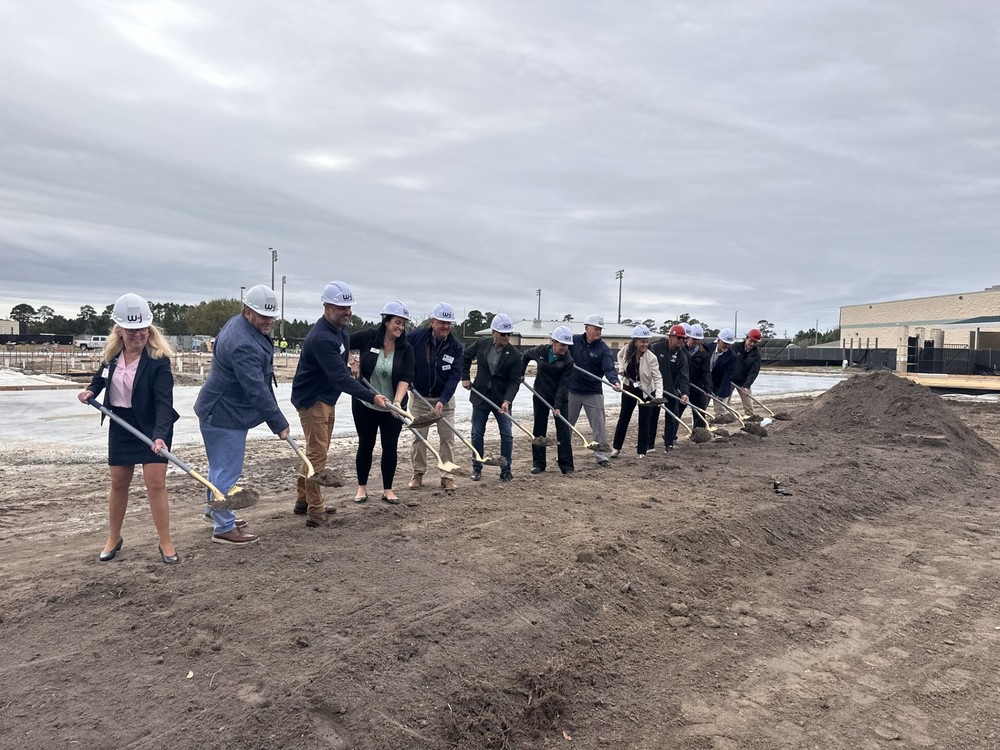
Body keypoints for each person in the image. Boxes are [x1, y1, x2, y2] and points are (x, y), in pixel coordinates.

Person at [77, 293, 180, 564]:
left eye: (143, 328)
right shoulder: (112, 356)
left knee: (156, 483)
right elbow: (101, 379)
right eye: (133, 330)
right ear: (120, 331)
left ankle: (165, 542)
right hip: (121, 425)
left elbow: (164, 403)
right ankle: (114, 537)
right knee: (118, 483)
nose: (139, 334)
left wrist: (159, 435)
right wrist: (90, 390)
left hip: (153, 425)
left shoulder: (158, 361)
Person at [194, 284, 289, 545]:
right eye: (263, 315)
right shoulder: (243, 344)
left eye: (272, 316)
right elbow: (256, 389)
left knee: (218, 467)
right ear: (248, 312)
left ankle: (213, 512)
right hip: (225, 413)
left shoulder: (239, 324)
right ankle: (224, 528)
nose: (269, 320)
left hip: (217, 408)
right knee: (226, 471)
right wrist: (278, 423)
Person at [290, 282, 389, 527]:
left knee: (315, 450)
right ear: (327, 307)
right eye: (341, 307)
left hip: (326, 397)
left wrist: (351, 361)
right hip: (312, 400)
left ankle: (303, 500)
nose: (347, 312)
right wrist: (372, 396)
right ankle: (316, 512)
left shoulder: (341, 330)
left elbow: (342, 361)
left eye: (349, 307)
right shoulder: (321, 337)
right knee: (317, 456)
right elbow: (340, 379)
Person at [351, 301, 415, 505]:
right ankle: (362, 488)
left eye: (403, 324)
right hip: (366, 402)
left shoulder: (406, 348)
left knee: (390, 446)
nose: (400, 327)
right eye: (397, 322)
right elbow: (340, 342)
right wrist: (351, 360)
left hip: (392, 408)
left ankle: (388, 489)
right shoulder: (368, 337)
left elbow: (406, 377)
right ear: (386, 321)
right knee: (366, 444)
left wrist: (396, 402)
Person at [407, 302, 464, 491]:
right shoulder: (415, 338)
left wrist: (443, 400)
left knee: (447, 438)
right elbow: (403, 355)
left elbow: (455, 376)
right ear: (433, 322)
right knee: (419, 437)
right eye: (442, 322)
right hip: (419, 398)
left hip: (444, 401)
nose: (446, 327)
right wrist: (407, 380)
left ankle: (446, 476)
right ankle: (418, 473)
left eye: (449, 323)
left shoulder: (455, 346)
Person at [461, 313, 521, 482]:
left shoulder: (515, 355)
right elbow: (465, 356)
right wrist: (465, 377)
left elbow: (514, 382)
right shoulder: (481, 344)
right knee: (477, 434)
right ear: (494, 332)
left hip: (502, 400)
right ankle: (477, 467)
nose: (507, 337)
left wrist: (507, 401)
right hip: (480, 397)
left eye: (509, 334)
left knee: (507, 435)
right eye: (503, 334)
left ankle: (506, 469)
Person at [520, 325, 576, 475]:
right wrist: (521, 372)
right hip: (540, 394)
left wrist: (557, 406)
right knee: (539, 428)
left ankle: (567, 466)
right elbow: (525, 355)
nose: (564, 348)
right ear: (553, 341)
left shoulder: (568, 361)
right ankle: (538, 463)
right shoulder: (541, 351)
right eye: (562, 345)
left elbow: (564, 385)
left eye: (567, 345)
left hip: (560, 397)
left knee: (563, 430)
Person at [566, 314, 621, 468]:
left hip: (593, 392)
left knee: (599, 427)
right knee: (566, 424)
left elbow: (609, 368)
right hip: (572, 390)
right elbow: (561, 352)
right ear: (587, 328)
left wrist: (614, 381)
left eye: (600, 329)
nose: (598, 332)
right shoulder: (574, 341)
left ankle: (602, 456)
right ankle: (564, 454)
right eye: (596, 328)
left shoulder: (603, 349)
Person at [610, 325, 663, 458]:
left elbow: (658, 378)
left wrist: (658, 397)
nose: (645, 344)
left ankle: (641, 451)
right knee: (624, 418)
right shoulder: (627, 349)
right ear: (635, 341)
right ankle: (616, 448)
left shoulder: (652, 358)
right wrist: (621, 368)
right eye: (642, 341)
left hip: (646, 391)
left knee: (644, 420)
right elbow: (619, 356)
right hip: (629, 388)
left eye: (647, 341)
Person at [648, 324, 690, 451]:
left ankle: (669, 444)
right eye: (679, 338)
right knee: (651, 417)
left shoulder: (682, 355)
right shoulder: (656, 348)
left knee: (672, 417)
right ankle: (649, 445)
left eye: (683, 339)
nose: (681, 341)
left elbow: (684, 376)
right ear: (671, 337)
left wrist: (684, 393)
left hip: (671, 390)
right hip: (655, 390)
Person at [685, 324, 713, 429]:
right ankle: (671, 437)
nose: (695, 341)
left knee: (700, 412)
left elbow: (706, 372)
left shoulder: (703, 353)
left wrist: (708, 388)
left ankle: (699, 433)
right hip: (683, 386)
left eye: (698, 339)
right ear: (688, 337)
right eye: (694, 339)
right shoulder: (682, 349)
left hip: (697, 385)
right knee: (676, 411)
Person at [707, 327, 738, 419]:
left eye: (729, 344)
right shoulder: (707, 348)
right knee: (700, 408)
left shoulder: (732, 357)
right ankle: (697, 430)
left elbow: (727, 376)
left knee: (721, 412)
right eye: (725, 343)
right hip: (705, 384)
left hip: (721, 385)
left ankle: (720, 431)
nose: (727, 346)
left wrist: (720, 394)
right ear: (718, 340)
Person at [732, 328, 763, 417]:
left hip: (743, 382)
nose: (752, 344)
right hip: (729, 380)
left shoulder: (756, 355)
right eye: (751, 341)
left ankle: (751, 420)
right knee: (723, 401)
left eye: (755, 342)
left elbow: (754, 372)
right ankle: (723, 421)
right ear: (746, 338)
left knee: (748, 405)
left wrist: (747, 386)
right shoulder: (735, 347)